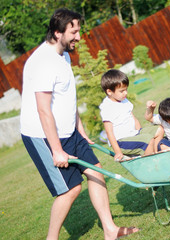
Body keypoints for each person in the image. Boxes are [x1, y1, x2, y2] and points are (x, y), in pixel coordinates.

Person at [20, 8, 139, 240]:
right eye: (73, 32)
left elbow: (66, 97)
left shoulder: (63, 54)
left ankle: (110, 230)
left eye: (79, 31)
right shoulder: (42, 62)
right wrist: (56, 150)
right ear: (57, 33)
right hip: (43, 136)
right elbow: (43, 110)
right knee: (70, 190)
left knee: (97, 173)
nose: (78, 37)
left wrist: (80, 129)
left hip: (70, 131)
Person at [99, 69, 156, 161]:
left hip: (133, 135)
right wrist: (118, 151)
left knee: (159, 130)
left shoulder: (124, 100)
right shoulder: (107, 108)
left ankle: (155, 155)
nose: (125, 93)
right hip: (121, 141)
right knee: (148, 139)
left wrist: (140, 132)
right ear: (109, 91)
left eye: (126, 89)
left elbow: (134, 119)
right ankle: (150, 163)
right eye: (122, 91)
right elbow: (109, 132)